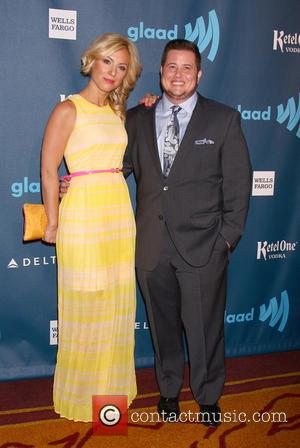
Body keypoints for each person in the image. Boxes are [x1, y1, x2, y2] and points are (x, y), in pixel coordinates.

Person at [123, 39, 252, 426]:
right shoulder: (137, 118)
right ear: (160, 72)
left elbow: (238, 185)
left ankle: (209, 394)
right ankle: (167, 390)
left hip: (203, 246)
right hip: (151, 245)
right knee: (162, 328)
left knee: (205, 328)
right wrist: (74, 182)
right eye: (171, 67)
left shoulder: (223, 118)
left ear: (199, 74)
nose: (178, 74)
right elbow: (115, 168)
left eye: (186, 68)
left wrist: (226, 239)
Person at [41, 33, 142, 422]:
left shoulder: (119, 112)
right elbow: (49, 170)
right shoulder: (68, 109)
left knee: (116, 307)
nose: (113, 73)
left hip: (117, 212)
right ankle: (83, 398)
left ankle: (109, 398)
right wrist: (53, 220)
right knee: (85, 306)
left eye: (121, 67)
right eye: (107, 63)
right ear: (92, 61)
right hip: (82, 215)